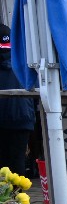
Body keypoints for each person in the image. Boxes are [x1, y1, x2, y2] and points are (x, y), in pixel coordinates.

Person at [0, 22, 34, 176]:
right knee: (16, 161)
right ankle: (17, 198)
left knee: (6, 163)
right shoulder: (22, 58)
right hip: (22, 115)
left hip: (9, 114)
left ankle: (7, 199)